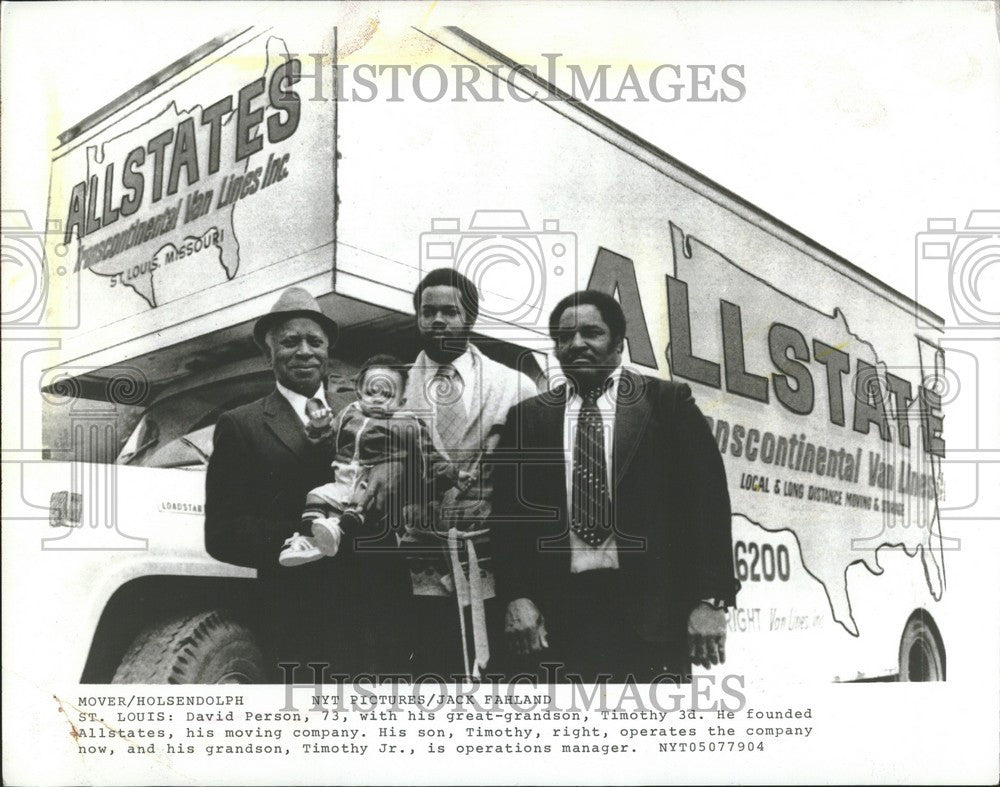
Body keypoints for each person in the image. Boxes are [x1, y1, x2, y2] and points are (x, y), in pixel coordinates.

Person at [490, 289, 739, 683]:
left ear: (619, 343)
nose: (577, 344)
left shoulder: (667, 402)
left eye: (592, 332)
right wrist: (516, 596)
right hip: (557, 620)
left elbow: (707, 505)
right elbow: (508, 518)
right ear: (555, 349)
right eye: (564, 337)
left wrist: (710, 600)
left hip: (653, 617)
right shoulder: (528, 418)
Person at [204, 286, 347, 678]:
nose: (304, 351)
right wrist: (306, 536)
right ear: (269, 354)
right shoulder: (240, 424)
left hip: (368, 608)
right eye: (289, 342)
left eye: (314, 341)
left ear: (327, 351)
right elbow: (221, 533)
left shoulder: (358, 414)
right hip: (294, 616)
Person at [402, 268, 537, 679]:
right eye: (428, 312)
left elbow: (533, 495)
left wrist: (527, 590)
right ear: (418, 318)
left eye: (450, 311)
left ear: (471, 318)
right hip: (413, 575)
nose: (438, 320)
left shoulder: (514, 386)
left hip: (493, 574)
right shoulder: (390, 388)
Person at [281, 353, 471, 566]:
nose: (378, 399)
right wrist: (320, 427)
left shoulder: (408, 425)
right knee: (315, 496)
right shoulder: (347, 414)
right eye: (371, 392)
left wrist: (454, 474)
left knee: (361, 508)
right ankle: (310, 538)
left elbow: (430, 455)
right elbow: (328, 444)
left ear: (401, 402)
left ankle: (338, 530)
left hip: (371, 481)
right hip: (342, 477)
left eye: (388, 395)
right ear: (360, 394)